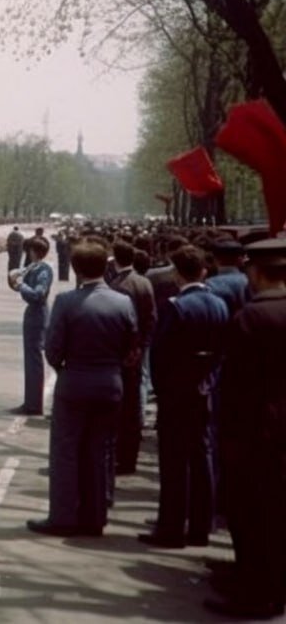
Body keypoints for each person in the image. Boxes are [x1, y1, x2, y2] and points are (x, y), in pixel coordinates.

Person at [28, 239, 136, 537]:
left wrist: (66, 368)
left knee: (66, 451)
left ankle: (63, 516)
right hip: (110, 382)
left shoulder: (66, 302)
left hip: (74, 381)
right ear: (107, 266)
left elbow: (52, 349)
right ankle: (94, 516)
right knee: (99, 452)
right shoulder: (123, 302)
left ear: (75, 269)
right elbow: (132, 346)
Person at [205, 237, 286, 619]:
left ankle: (253, 591)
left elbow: (234, 386)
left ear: (254, 272)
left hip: (256, 433)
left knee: (252, 516)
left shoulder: (251, 318)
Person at [140, 244, 228, 549]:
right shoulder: (219, 305)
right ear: (203, 271)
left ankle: (171, 527)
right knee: (202, 458)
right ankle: (201, 527)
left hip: (176, 392)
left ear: (177, 274)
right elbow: (220, 352)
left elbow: (160, 356)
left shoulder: (175, 306)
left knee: (175, 462)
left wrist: (162, 391)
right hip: (203, 389)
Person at [109, 240, 157, 475]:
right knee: (132, 407)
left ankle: (121, 455)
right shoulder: (144, 282)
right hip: (137, 352)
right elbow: (151, 318)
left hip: (121, 354)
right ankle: (130, 456)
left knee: (121, 408)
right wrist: (142, 346)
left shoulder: (118, 286)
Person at [9, 236, 54, 415]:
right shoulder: (36, 267)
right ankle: (30, 401)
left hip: (37, 314)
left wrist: (21, 285)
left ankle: (34, 404)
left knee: (33, 361)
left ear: (33, 251)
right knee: (30, 360)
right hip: (33, 313)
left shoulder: (44, 270)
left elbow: (38, 294)